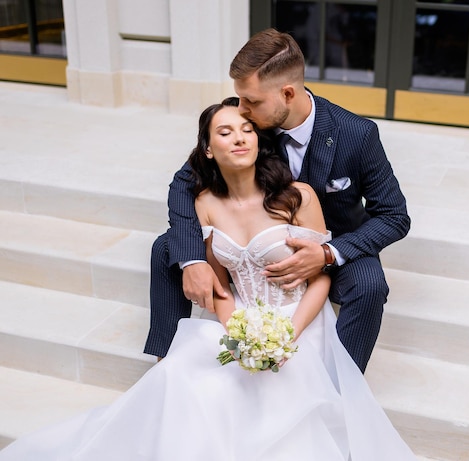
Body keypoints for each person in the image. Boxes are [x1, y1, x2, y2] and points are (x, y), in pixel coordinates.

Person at [0, 99, 416, 461]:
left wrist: (285, 333)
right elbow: (219, 284)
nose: (241, 134)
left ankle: (343, 399)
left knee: (362, 294)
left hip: (301, 310)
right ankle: (165, 365)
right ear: (208, 149)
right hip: (243, 319)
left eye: (248, 128)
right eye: (227, 131)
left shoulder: (303, 188)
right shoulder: (204, 201)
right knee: (189, 377)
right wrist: (240, 332)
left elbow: (337, 264)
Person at [144, 28, 410, 372]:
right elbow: (183, 183)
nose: (241, 109)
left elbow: (394, 216)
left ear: (286, 93)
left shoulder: (356, 134)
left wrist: (327, 253)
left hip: (336, 241)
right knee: (169, 248)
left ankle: (343, 385)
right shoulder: (250, 123)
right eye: (240, 98)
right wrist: (193, 261)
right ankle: (165, 364)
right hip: (261, 237)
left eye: (251, 101)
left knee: (370, 285)